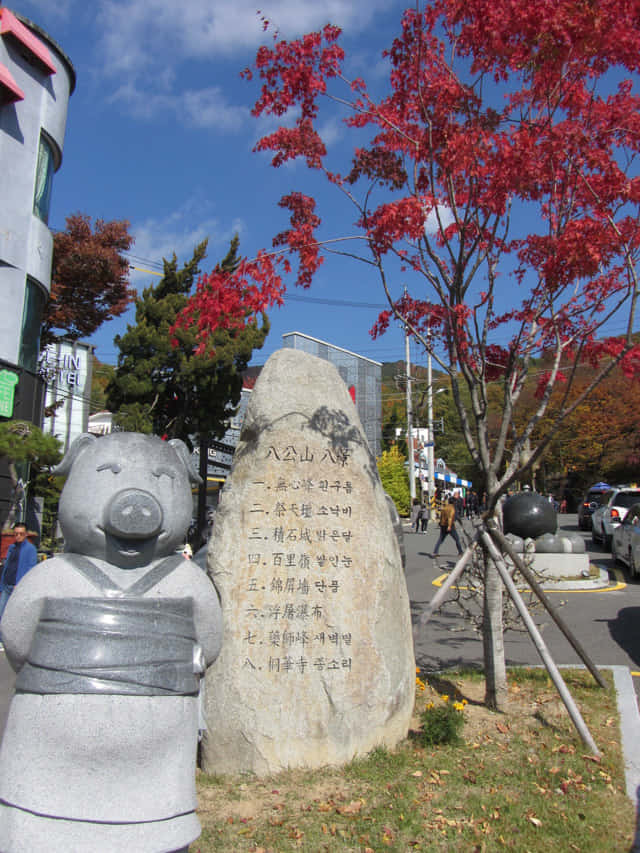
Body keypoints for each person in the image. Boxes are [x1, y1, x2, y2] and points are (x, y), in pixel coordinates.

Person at [0, 523, 38, 630]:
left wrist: (21, 584)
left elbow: (31, 570)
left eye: (21, 534)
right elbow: (7, 566)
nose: (18, 536)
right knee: (1, 613)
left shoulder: (30, 549)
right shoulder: (11, 547)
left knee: (15, 616)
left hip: (18, 588)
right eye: (16, 534)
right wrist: (2, 584)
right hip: (7, 585)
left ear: (26, 534)